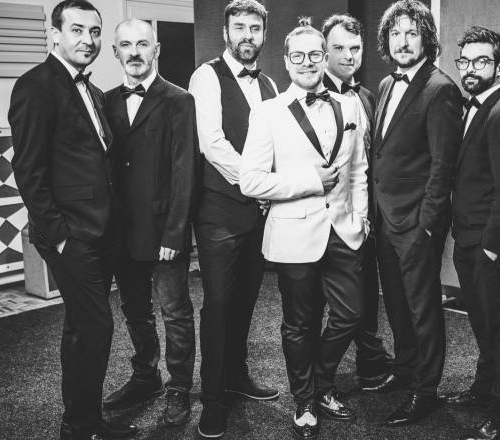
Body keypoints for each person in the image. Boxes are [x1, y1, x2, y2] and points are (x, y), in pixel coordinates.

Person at [8, 1, 137, 438]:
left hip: (102, 231)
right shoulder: (35, 85)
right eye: (77, 30)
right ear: (55, 34)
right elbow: (28, 169)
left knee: (80, 328)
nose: (88, 40)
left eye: (95, 31)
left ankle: (81, 422)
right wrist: (59, 235)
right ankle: (81, 424)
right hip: (70, 235)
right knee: (97, 326)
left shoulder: (94, 91)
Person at [239, 17, 368, 440]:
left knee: (350, 315)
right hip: (293, 234)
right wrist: (311, 182)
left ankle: (323, 380)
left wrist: (361, 218)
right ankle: (306, 399)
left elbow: (358, 170)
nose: (308, 62)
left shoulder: (349, 106)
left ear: (325, 57)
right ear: (286, 61)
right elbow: (251, 181)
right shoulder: (267, 112)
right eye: (299, 55)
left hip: (344, 230)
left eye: (315, 54)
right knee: (299, 324)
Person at [187, 0, 279, 437]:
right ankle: (212, 399)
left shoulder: (271, 84)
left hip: (258, 216)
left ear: (263, 35)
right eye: (239, 27)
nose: (247, 35)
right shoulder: (206, 76)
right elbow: (212, 143)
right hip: (220, 214)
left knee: (245, 301)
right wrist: (259, 184)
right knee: (219, 306)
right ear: (226, 33)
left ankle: (237, 376)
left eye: (254, 28)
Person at [369, 0, 462, 426]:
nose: (403, 41)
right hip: (385, 218)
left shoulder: (441, 89)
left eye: (412, 33)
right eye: (396, 33)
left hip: (416, 225)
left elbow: (444, 165)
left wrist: (427, 225)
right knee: (396, 303)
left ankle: (426, 391)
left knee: (423, 309)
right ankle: (404, 368)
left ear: (427, 38)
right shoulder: (386, 84)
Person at [101, 19, 197, 427]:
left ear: (156, 49)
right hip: (120, 233)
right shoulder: (104, 101)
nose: (135, 52)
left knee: (175, 313)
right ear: (115, 52)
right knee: (135, 311)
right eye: (126, 45)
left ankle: (179, 387)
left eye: (143, 44)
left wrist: (176, 232)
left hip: (163, 232)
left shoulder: (179, 100)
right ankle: (146, 377)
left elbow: (185, 172)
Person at [440, 26, 500, 440]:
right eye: (465, 61)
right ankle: (484, 389)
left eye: (481, 61)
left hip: (490, 244)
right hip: (468, 237)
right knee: (482, 322)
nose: (471, 69)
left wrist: (491, 248)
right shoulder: (471, 108)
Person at [320, 13, 393, 390]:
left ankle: (370, 360)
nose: (348, 56)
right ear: (323, 51)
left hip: (366, 214)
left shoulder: (366, 96)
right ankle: (315, 382)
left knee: (365, 293)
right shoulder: (311, 96)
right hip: (325, 219)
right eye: (339, 48)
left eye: (355, 48)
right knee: (327, 308)